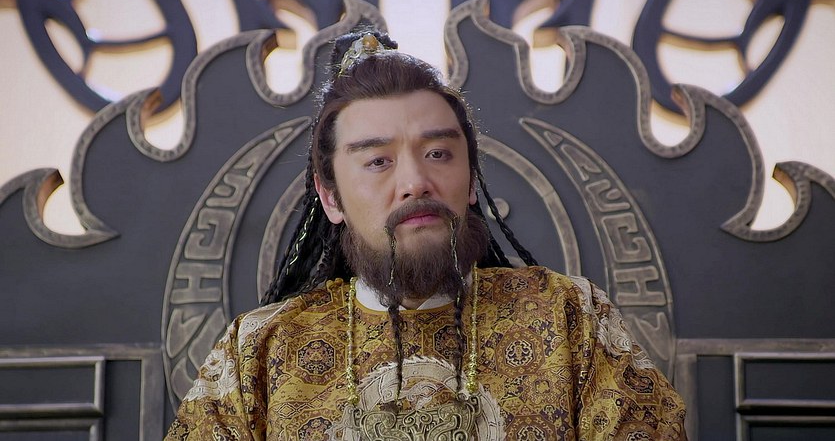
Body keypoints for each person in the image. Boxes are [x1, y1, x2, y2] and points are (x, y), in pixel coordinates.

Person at [165, 30, 688, 440]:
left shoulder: (571, 320)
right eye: (378, 161)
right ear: (331, 197)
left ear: (471, 182)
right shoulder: (258, 352)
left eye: (438, 154)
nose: (416, 181)